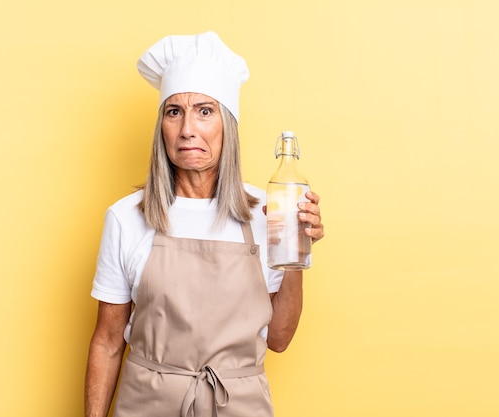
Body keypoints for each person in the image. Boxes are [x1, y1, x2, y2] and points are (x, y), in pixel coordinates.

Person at [85, 31, 324, 417]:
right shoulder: (126, 217)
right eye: (174, 111)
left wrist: (297, 252)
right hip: (146, 405)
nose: (188, 130)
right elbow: (108, 342)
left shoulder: (268, 212)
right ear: (161, 126)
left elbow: (279, 338)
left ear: (227, 125)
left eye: (205, 111)